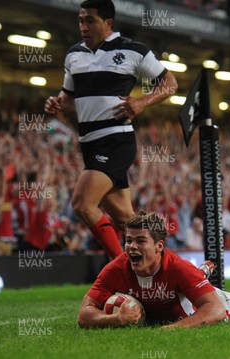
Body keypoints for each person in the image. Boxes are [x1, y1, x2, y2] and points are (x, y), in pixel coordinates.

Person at [44, 0, 178, 259]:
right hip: (89, 143)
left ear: (108, 23)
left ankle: (121, 268)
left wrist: (141, 102)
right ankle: (171, 270)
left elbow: (170, 84)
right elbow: (69, 97)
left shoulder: (133, 50)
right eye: (81, 20)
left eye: (90, 20)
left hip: (116, 139)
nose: (83, 25)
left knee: (82, 204)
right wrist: (57, 102)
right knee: (128, 223)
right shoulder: (74, 55)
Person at [77, 212, 230, 328]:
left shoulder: (177, 267)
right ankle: (200, 275)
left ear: (159, 246)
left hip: (205, 305)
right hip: (186, 287)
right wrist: (114, 319)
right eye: (128, 240)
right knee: (192, 277)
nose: (131, 247)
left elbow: (216, 310)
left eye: (140, 241)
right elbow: (84, 314)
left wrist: (173, 329)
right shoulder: (116, 268)